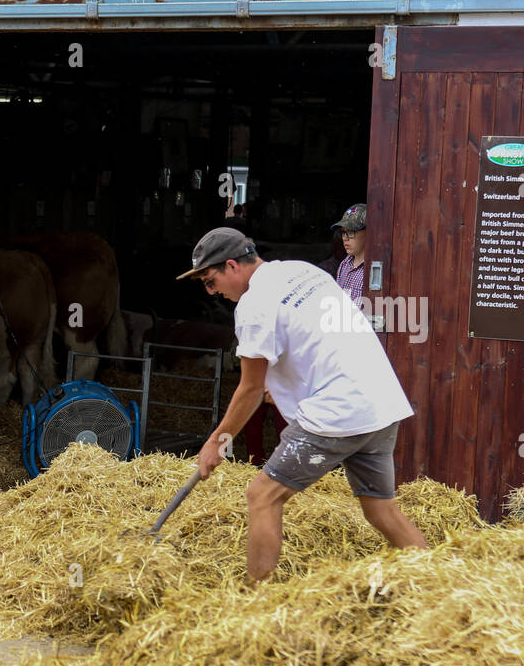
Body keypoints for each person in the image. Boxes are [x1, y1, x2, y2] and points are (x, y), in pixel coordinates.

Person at [178, 226, 426, 583]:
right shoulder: (302, 271)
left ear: (232, 265)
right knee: (379, 505)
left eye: (210, 281)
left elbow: (249, 388)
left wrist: (217, 442)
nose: (211, 292)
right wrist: (281, 385)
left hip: (337, 412)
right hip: (380, 401)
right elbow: (318, 340)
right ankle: (432, 582)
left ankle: (255, 601)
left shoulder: (253, 306)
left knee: (262, 495)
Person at [331, 203, 366, 304]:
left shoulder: (375, 269)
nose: (344, 238)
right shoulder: (344, 264)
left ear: (369, 231)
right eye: (343, 232)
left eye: (351, 232)